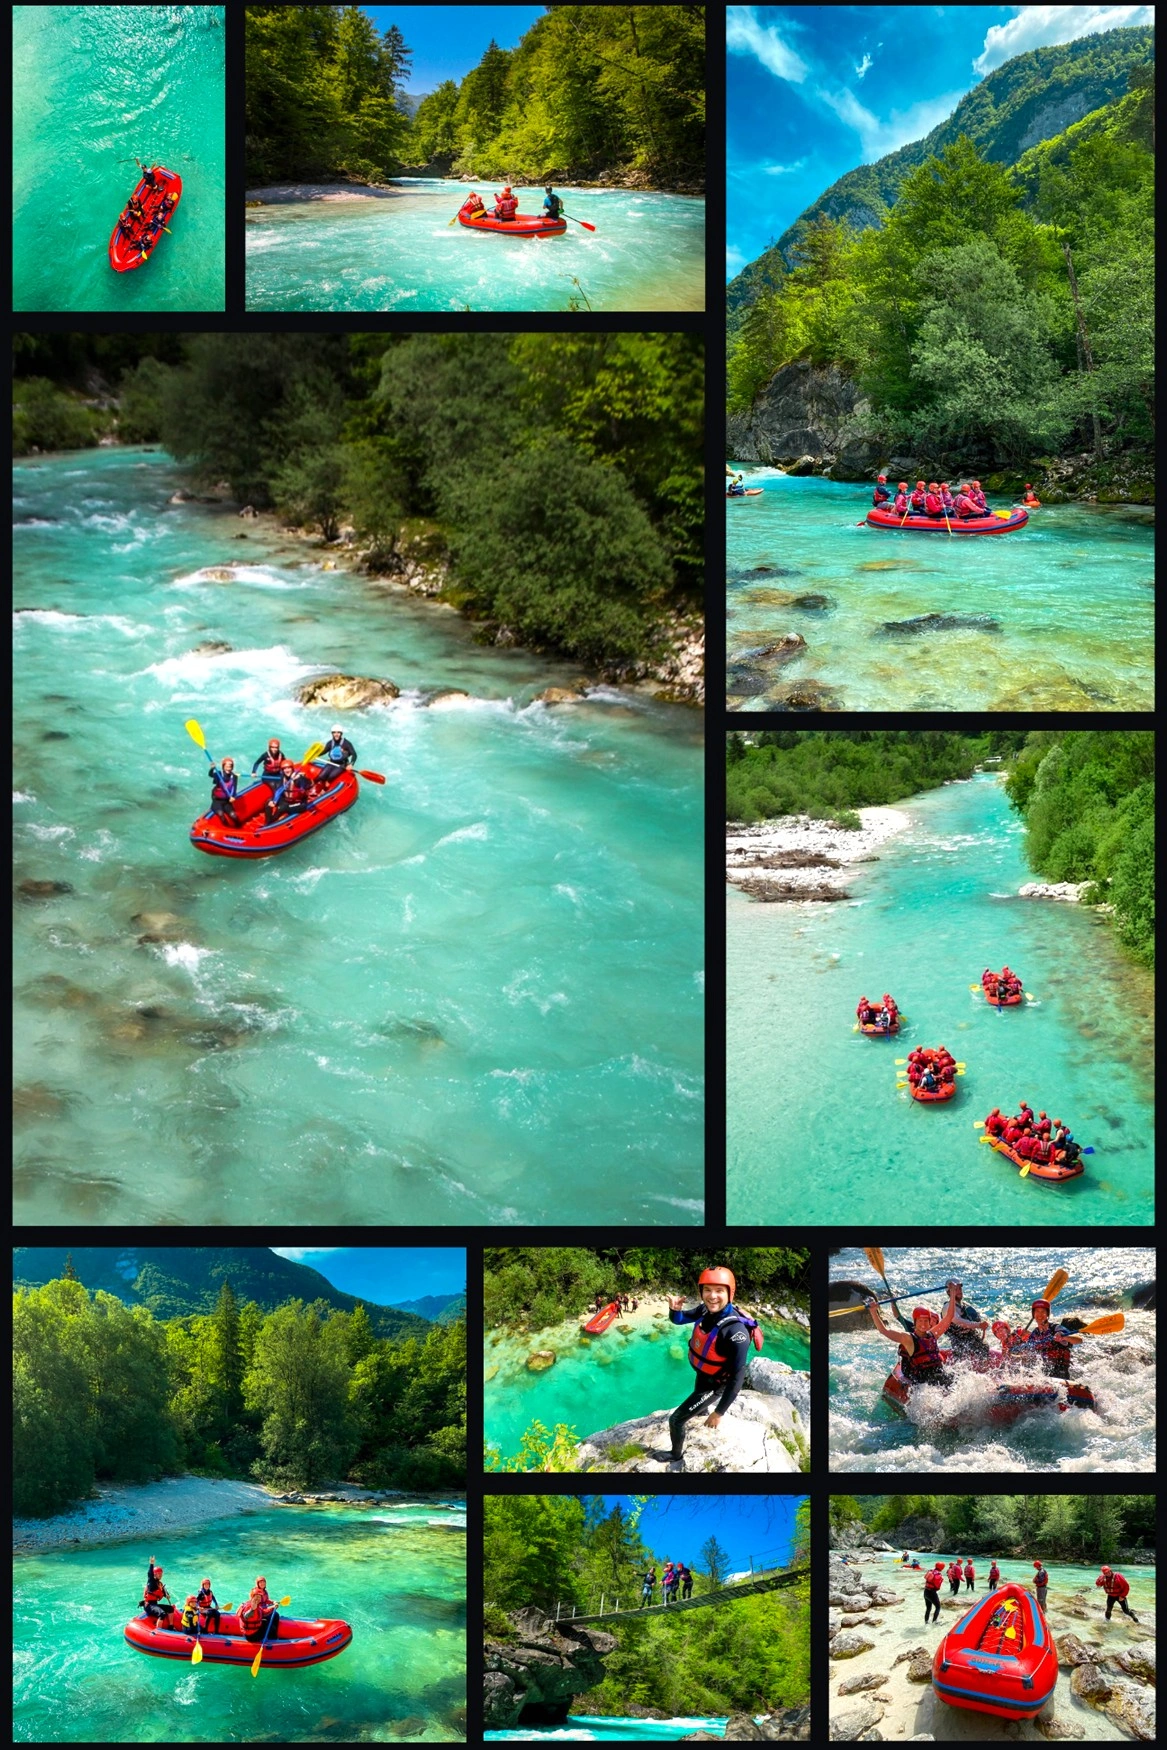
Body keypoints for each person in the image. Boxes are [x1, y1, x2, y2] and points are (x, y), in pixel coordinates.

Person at [665, 1266, 758, 1462]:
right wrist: (675, 1310)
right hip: (703, 1374)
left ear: (729, 1293)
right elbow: (680, 1319)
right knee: (698, 1404)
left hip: (715, 1385)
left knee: (675, 1420)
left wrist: (719, 1412)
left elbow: (737, 1377)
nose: (712, 1296)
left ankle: (675, 1455)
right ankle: (701, 1410)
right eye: (707, 1290)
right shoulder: (704, 1310)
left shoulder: (735, 1333)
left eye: (719, 1290)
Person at [865, 1288, 958, 1390]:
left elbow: (949, 1317)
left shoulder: (933, 1335)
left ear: (929, 1322)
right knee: (939, 1380)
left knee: (954, 1377)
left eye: (926, 1321)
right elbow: (884, 1331)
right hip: (921, 1381)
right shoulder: (908, 1338)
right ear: (915, 1322)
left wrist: (952, 1295)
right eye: (920, 1321)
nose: (923, 1324)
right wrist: (873, 1311)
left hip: (937, 1375)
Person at [946, 1280, 990, 1365]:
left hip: (971, 1336)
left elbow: (976, 1318)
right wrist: (978, 1325)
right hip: (958, 1339)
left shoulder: (965, 1305)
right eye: (955, 1289)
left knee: (984, 1347)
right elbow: (959, 1321)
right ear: (949, 1292)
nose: (959, 1291)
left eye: (960, 1289)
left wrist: (982, 1324)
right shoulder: (947, 1307)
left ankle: (984, 1368)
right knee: (961, 1353)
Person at [208, 755, 240, 826]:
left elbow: (234, 789)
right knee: (221, 814)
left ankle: (239, 827)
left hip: (227, 801)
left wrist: (233, 797)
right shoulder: (219, 774)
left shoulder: (234, 776)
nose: (229, 768)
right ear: (223, 766)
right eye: (227, 766)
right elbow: (210, 775)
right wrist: (212, 768)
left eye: (230, 766)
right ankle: (227, 828)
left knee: (233, 815)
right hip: (217, 801)